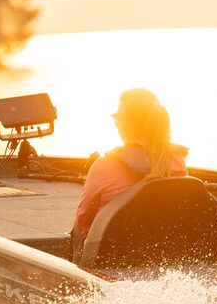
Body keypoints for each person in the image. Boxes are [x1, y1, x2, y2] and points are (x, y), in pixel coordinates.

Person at [74, 88, 189, 251]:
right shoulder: (178, 163)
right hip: (163, 255)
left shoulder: (104, 166)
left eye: (117, 117)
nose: (115, 121)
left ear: (125, 123)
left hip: (110, 259)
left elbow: (83, 221)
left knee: (77, 229)